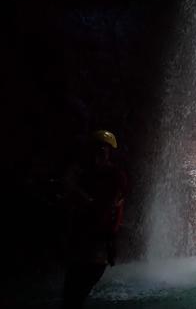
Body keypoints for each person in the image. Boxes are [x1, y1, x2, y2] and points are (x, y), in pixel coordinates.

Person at [61, 129, 127, 308]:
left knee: (80, 288)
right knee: (71, 291)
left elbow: (113, 207)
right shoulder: (83, 174)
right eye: (97, 148)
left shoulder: (115, 176)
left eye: (104, 148)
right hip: (82, 236)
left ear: (110, 152)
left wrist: (111, 241)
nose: (100, 151)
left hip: (99, 239)